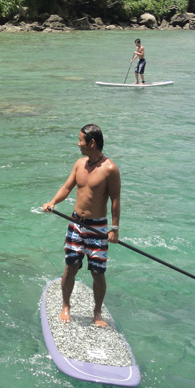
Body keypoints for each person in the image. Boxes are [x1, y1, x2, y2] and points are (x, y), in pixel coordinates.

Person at [42, 124, 121, 327]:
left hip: (98, 228)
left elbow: (115, 200)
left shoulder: (110, 169)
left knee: (97, 272)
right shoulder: (79, 164)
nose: (78, 144)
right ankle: (66, 306)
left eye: (81, 140)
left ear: (91, 143)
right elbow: (67, 187)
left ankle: (97, 313)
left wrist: (114, 229)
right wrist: (53, 202)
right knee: (71, 267)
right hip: (76, 224)